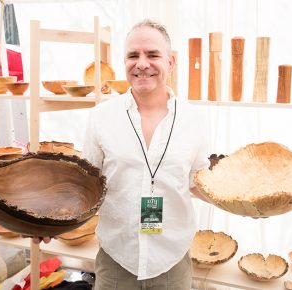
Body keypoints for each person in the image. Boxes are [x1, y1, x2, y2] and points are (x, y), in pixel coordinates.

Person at [35, 19, 210, 290]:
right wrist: (48, 222)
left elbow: (199, 182)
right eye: (133, 55)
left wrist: (246, 206)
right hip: (117, 264)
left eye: (153, 54)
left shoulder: (195, 120)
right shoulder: (101, 117)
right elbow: (85, 187)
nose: (142, 63)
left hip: (172, 265)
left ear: (171, 63)